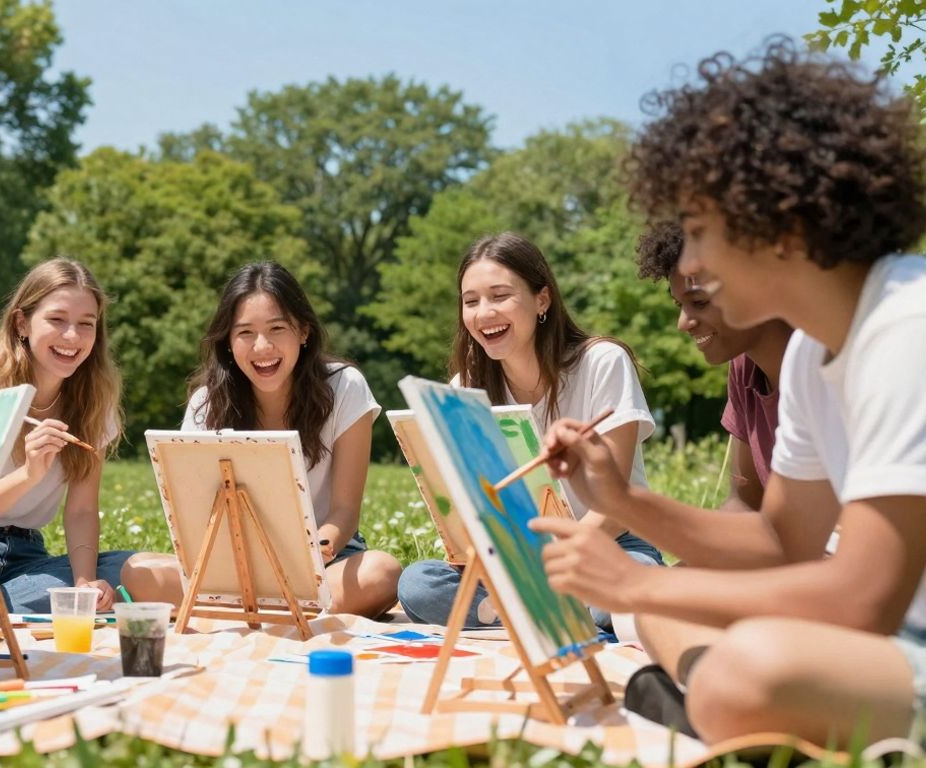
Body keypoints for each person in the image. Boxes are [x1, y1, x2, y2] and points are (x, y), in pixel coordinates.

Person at [532, 38, 926, 745]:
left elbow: (863, 597)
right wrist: (624, 502)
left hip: (892, 634)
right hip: (880, 640)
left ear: (780, 224)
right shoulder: (811, 356)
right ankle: (727, 713)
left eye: (697, 232)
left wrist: (635, 582)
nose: (688, 262)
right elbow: (782, 540)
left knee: (743, 663)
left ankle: (718, 706)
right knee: (667, 611)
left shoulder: (907, 326)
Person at [396, 232, 662, 631]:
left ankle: (522, 613)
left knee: (625, 594)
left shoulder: (603, 363)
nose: (484, 313)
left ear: (542, 299)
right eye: (471, 301)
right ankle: (548, 611)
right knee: (417, 584)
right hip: (516, 562)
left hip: (610, 546)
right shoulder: (463, 389)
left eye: (500, 296)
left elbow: (616, 507)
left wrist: (550, 568)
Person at [122, 261, 402, 619]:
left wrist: (315, 550)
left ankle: (254, 608)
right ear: (228, 341)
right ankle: (280, 609)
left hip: (324, 560)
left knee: (382, 572)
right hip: (235, 564)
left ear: (303, 331)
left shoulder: (345, 387)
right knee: (137, 572)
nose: (262, 346)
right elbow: (195, 520)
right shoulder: (207, 404)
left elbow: (344, 513)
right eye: (245, 333)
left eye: (277, 328)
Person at [0, 258, 133, 614]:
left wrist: (84, 583)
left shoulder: (94, 400)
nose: (72, 336)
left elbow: (82, 509)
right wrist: (29, 473)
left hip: (27, 554)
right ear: (22, 323)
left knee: (139, 571)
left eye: (86, 324)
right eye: (57, 320)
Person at [635, 220, 792, 509]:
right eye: (679, 305)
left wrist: (624, 502)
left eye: (699, 302)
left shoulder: (824, 366)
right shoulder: (743, 368)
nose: (682, 323)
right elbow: (744, 503)